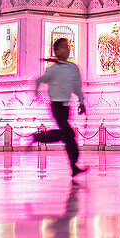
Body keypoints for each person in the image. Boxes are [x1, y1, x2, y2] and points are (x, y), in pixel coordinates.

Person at [32, 38, 88, 177]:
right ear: (56, 51)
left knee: (66, 135)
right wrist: (36, 92)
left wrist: (81, 101)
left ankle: (39, 137)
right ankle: (73, 165)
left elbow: (76, 86)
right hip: (56, 106)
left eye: (67, 46)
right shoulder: (53, 69)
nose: (67, 49)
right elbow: (39, 80)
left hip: (65, 106)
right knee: (69, 135)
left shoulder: (72, 68)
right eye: (63, 47)